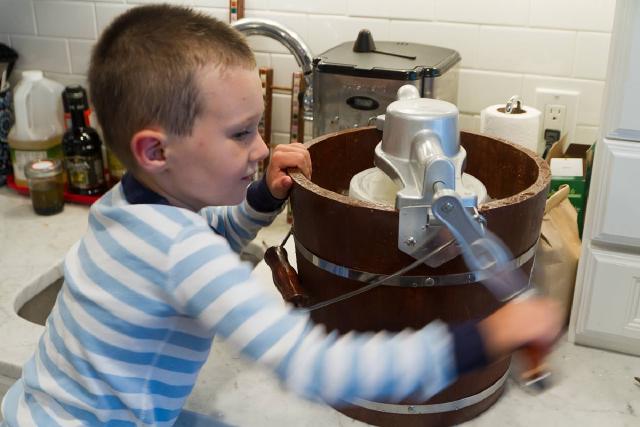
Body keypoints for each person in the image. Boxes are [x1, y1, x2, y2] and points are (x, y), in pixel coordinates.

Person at [0, 5, 562, 426]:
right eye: (241, 133)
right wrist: (487, 336)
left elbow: (207, 233)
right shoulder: (180, 255)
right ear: (157, 152)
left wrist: (261, 202)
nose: (263, 149)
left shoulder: (126, 207)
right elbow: (314, 365)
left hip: (34, 406)